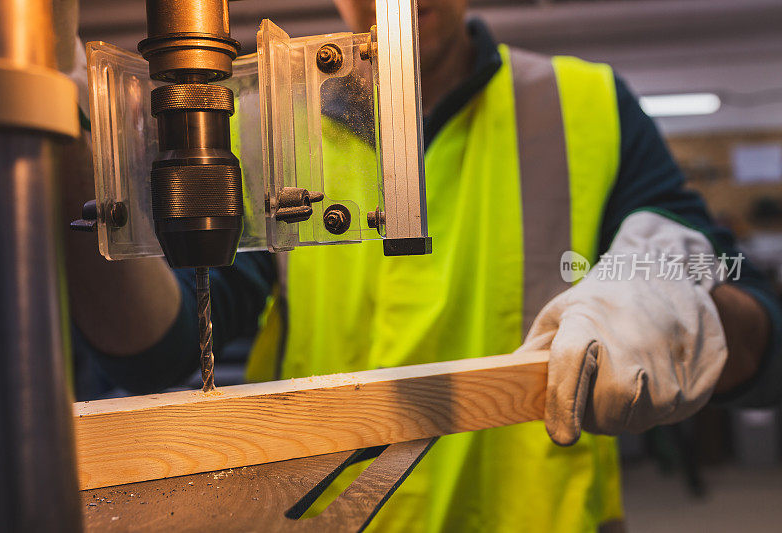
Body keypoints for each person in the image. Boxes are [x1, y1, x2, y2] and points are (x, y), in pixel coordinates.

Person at [61, 0, 782, 531]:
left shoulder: (581, 104)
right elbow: (161, 350)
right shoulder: (279, 128)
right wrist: (61, 138)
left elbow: (758, 331)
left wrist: (684, 304)